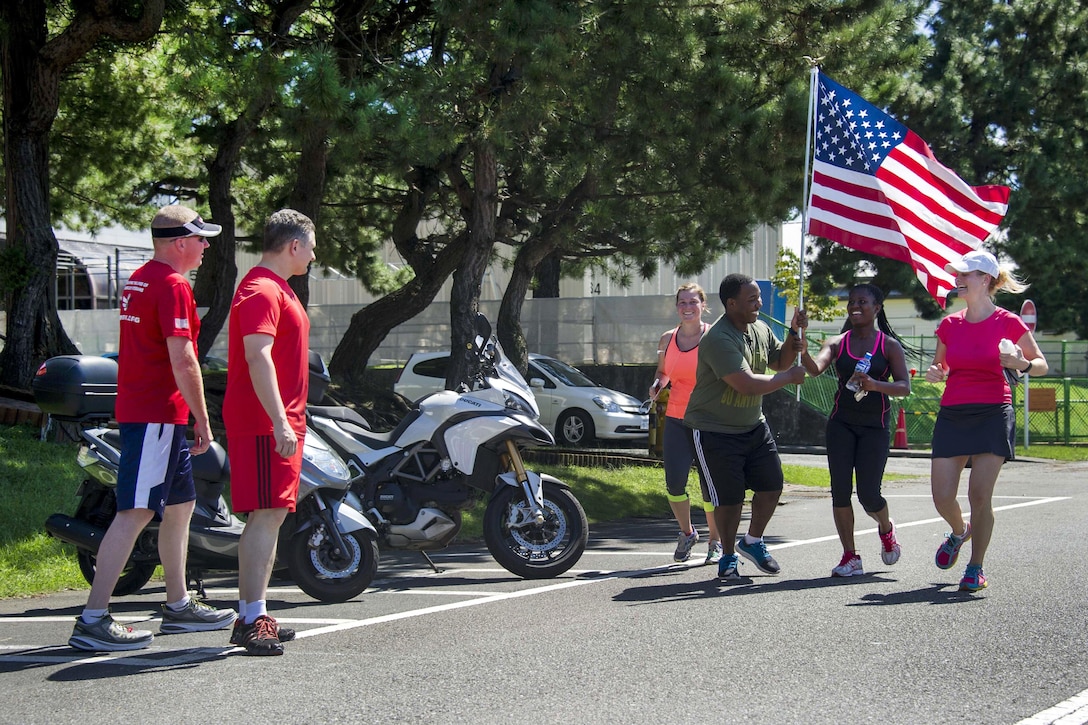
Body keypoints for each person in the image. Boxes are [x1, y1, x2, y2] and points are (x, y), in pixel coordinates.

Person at [69, 204, 236, 652]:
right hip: (157, 416)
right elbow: (184, 359)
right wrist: (203, 418)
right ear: (180, 243)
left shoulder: (140, 278)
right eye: (201, 239)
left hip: (155, 414)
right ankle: (93, 618)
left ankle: (178, 605)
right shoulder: (174, 285)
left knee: (180, 507)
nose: (205, 247)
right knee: (136, 512)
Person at [924, 249, 1046, 592]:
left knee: (980, 494)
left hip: (993, 411)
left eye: (966, 274)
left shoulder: (1008, 323)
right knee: (942, 496)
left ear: (986, 280)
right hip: (954, 413)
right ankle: (959, 531)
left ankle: (975, 566)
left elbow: (1041, 364)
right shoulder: (949, 325)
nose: (958, 279)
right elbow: (943, 366)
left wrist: (1020, 362)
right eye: (958, 274)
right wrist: (937, 372)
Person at [224, 208, 316, 655]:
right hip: (263, 423)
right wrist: (280, 420)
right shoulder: (261, 288)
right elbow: (257, 356)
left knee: (272, 515)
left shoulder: (277, 288)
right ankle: (250, 619)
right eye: (311, 246)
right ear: (294, 245)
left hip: (279, 421)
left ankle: (253, 614)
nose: (314, 255)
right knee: (264, 514)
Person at [684, 273, 806, 582]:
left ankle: (752, 542)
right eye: (752, 299)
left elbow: (779, 361)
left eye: (759, 298)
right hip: (714, 430)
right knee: (730, 498)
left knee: (772, 485)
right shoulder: (717, 339)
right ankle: (727, 555)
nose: (759, 303)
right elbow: (747, 385)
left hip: (753, 426)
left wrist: (794, 333)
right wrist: (790, 378)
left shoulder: (760, 328)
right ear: (731, 303)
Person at [797, 284, 911, 577]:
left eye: (863, 301)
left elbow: (903, 387)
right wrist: (802, 342)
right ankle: (850, 556)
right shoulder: (837, 342)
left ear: (877, 308)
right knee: (840, 492)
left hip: (874, 427)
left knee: (870, 495)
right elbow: (814, 368)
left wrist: (874, 385)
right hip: (841, 424)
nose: (855, 306)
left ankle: (886, 529)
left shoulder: (888, 346)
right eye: (852, 301)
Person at [649, 283, 722, 564]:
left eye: (693, 302)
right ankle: (687, 532)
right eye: (682, 302)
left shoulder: (714, 336)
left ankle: (715, 541)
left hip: (709, 420)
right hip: (678, 419)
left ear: (703, 305)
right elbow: (662, 372)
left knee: (709, 485)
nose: (687, 307)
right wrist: (657, 385)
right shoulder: (667, 339)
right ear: (676, 306)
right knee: (674, 483)